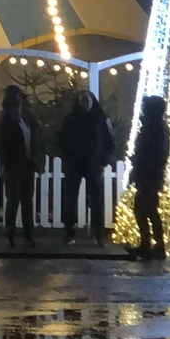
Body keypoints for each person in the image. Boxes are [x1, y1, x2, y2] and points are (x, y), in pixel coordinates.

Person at [58, 89, 117, 246]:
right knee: (71, 200)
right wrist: (68, 158)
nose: (85, 103)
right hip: (75, 165)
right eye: (82, 100)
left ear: (92, 102)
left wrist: (103, 161)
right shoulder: (70, 119)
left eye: (87, 100)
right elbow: (61, 140)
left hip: (94, 165)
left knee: (97, 202)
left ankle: (99, 235)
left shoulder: (101, 120)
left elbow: (110, 142)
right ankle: (69, 233)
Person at [128, 95, 170, 261]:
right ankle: (149, 244)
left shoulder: (156, 129)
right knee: (145, 210)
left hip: (149, 174)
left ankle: (154, 245)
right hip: (147, 173)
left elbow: (155, 154)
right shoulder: (153, 127)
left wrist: (140, 161)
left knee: (146, 210)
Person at [0, 85, 36, 246]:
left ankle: (28, 234)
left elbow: (33, 139)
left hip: (27, 164)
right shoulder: (6, 118)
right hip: (13, 165)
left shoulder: (26, 118)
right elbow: (4, 144)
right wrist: (5, 163)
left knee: (27, 200)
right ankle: (10, 234)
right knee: (13, 200)